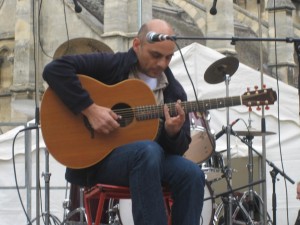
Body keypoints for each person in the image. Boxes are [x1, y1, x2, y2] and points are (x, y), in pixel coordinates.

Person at [42, 19, 205, 225]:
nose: (162, 64)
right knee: (148, 150)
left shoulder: (174, 91)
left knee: (192, 174)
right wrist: (90, 110)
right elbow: (54, 70)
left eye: (168, 57)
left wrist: (172, 133)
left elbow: (177, 150)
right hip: (100, 162)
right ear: (137, 45)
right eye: (156, 55)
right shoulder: (113, 65)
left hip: (148, 162)